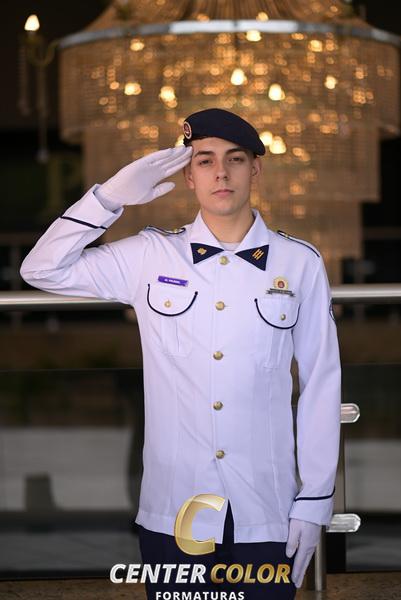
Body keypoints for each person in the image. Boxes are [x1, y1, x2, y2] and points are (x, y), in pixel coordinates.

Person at [20, 107, 342, 599]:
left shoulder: (299, 263)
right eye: (205, 160)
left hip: (267, 509)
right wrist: (108, 199)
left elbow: (321, 382)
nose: (221, 173)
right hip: (174, 511)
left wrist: (315, 499)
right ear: (188, 175)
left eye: (235, 159)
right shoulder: (150, 256)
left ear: (255, 169)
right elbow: (41, 270)